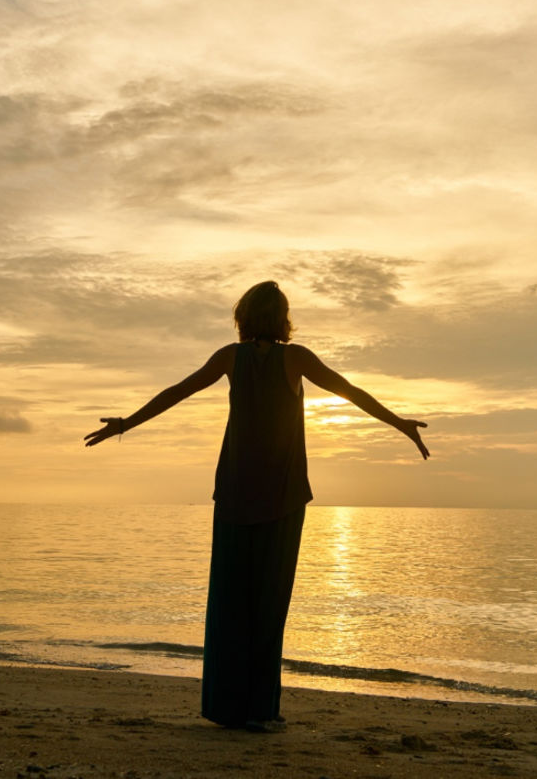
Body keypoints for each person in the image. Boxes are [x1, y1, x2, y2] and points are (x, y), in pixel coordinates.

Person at [83, 280, 429, 730]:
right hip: (282, 496)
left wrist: (127, 423)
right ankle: (260, 711)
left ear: (244, 316)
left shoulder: (231, 356)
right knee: (268, 603)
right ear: (282, 316)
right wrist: (398, 423)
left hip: (234, 493)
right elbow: (351, 392)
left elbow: (176, 391)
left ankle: (228, 708)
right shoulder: (296, 357)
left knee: (230, 601)